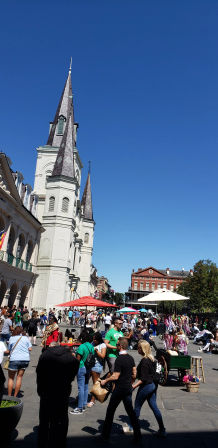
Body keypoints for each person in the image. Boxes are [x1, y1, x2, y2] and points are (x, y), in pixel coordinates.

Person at [36, 341, 79, 448]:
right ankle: (61, 441)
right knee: (62, 418)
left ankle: (43, 442)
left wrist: (40, 389)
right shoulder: (69, 356)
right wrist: (69, 379)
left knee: (45, 419)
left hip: (47, 391)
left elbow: (39, 374)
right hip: (63, 391)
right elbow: (76, 365)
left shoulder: (45, 355)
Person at [100, 337, 141, 442]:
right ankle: (138, 435)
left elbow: (115, 376)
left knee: (110, 411)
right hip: (127, 388)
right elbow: (134, 374)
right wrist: (131, 383)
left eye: (117, 345)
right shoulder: (130, 358)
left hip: (119, 389)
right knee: (131, 412)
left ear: (121, 346)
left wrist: (105, 380)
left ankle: (105, 436)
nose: (116, 346)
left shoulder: (119, 359)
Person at [132, 340, 166, 437]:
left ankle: (133, 428)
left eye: (138, 347)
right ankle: (162, 429)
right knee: (154, 407)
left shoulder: (144, 361)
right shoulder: (153, 359)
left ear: (142, 349)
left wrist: (133, 386)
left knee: (137, 407)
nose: (137, 349)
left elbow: (143, 378)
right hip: (154, 386)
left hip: (146, 386)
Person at [70, 330, 95, 414]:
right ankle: (83, 404)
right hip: (88, 368)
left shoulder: (82, 346)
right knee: (85, 386)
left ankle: (79, 408)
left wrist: (73, 355)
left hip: (81, 367)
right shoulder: (91, 346)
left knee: (80, 388)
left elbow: (78, 359)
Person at [6, 326, 32, 397]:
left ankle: (9, 395)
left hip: (14, 359)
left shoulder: (12, 338)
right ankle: (15, 396)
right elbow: (30, 349)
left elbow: (9, 350)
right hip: (25, 359)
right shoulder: (26, 338)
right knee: (19, 377)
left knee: (11, 378)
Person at [87, 332, 106, 407]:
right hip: (90, 365)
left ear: (98, 339)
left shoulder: (102, 345)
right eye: (93, 339)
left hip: (97, 365)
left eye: (95, 339)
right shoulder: (92, 343)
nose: (93, 340)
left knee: (95, 383)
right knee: (85, 381)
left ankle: (93, 400)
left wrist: (96, 351)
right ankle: (82, 397)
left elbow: (103, 356)